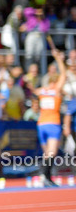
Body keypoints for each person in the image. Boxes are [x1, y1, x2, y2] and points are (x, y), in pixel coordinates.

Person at [37, 48, 67, 186]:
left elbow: (33, 91)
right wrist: (58, 59)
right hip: (53, 124)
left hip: (41, 124)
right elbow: (64, 74)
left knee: (46, 153)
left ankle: (46, 177)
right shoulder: (56, 90)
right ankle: (45, 176)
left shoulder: (42, 91)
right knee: (52, 152)